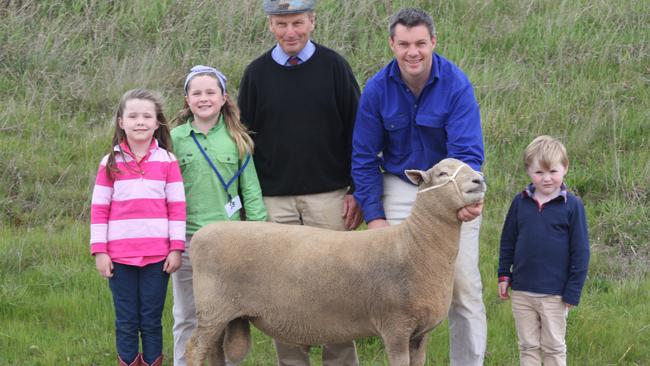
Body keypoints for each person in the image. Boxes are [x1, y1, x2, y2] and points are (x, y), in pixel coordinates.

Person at [351, 7, 487, 365]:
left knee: (462, 285)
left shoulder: (456, 84)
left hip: (448, 191)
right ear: (392, 44)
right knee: (395, 285)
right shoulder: (378, 88)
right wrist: (375, 217)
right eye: (405, 44)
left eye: (421, 43)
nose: (413, 52)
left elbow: (467, 153)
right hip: (400, 184)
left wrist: (463, 202)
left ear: (434, 43)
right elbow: (364, 156)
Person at [237, 1, 362, 365]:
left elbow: (358, 131)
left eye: (297, 22)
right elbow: (245, 139)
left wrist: (357, 191)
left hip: (330, 197)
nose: (290, 32)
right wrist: (249, 201)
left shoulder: (335, 67)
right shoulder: (256, 73)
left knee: (338, 287)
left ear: (312, 21)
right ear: (270, 25)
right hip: (274, 200)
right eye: (281, 24)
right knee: (281, 291)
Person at [170, 65, 267, 366]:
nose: (203, 98)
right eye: (196, 93)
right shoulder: (174, 139)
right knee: (186, 313)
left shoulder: (238, 140)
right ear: (187, 100)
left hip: (229, 245)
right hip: (187, 241)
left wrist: (260, 233)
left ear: (224, 97)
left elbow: (250, 190)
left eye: (210, 92)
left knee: (227, 314)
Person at [90, 88, 186, 366]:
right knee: (127, 319)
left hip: (158, 258)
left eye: (147, 116)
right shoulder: (110, 163)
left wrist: (176, 248)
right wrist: (100, 251)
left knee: (151, 319)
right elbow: (99, 210)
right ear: (121, 121)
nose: (140, 121)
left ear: (158, 123)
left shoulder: (168, 161)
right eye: (133, 116)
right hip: (119, 259)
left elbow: (177, 207)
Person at [498, 135, 590, 366]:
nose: (547, 179)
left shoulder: (572, 206)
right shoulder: (520, 202)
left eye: (553, 172)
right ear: (529, 171)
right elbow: (508, 241)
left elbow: (581, 252)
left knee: (553, 348)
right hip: (522, 292)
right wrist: (504, 274)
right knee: (528, 346)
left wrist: (573, 290)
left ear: (565, 169)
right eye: (539, 172)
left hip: (555, 294)